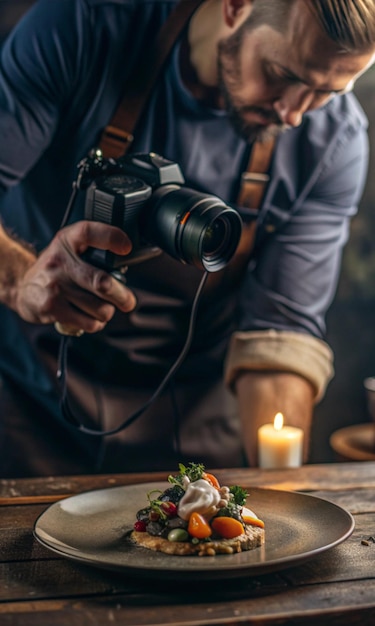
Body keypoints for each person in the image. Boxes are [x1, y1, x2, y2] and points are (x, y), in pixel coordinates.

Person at [0, 0, 374, 478]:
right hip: (32, 403)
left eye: (328, 92)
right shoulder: (84, 29)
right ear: (236, 7)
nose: (295, 113)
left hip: (191, 427)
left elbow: (277, 336)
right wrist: (20, 281)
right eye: (282, 73)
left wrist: (283, 496)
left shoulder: (333, 141)